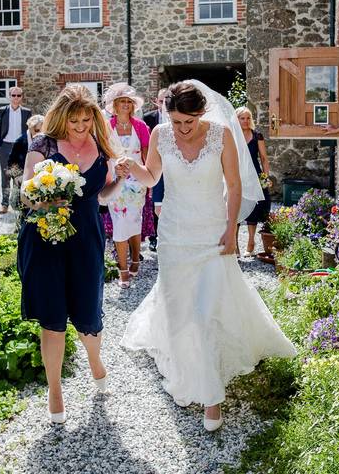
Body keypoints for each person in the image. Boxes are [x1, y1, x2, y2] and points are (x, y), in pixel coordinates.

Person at [118, 81, 296, 431]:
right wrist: (131, 168)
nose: (183, 129)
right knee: (180, 310)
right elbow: (152, 176)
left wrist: (231, 229)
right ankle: (187, 367)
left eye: (190, 121)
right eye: (177, 121)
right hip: (173, 237)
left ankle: (211, 396)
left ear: (202, 113)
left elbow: (235, 186)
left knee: (203, 313)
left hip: (213, 235)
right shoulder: (160, 134)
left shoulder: (221, 135)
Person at [17, 85, 126, 424]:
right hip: (46, 236)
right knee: (52, 319)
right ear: (62, 118)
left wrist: (119, 180)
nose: (80, 127)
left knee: (88, 313)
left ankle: (95, 360)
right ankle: (55, 390)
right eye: (74, 121)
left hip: (87, 239)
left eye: (86, 120)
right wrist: (42, 200)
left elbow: (104, 194)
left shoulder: (103, 146)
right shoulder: (43, 144)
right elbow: (25, 190)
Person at [103, 83, 152, 288]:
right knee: (120, 224)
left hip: (136, 183)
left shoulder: (141, 126)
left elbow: (147, 154)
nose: (126, 105)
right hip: (116, 181)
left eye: (129, 102)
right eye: (122, 101)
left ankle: (135, 258)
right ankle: (123, 271)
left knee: (134, 220)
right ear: (114, 105)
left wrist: (148, 180)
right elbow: (103, 153)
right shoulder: (106, 126)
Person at [236, 107, 271, 256]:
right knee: (235, 208)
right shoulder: (232, 135)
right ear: (236, 119)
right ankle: (235, 245)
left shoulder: (257, 136)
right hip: (236, 175)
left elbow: (264, 158)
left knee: (254, 207)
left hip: (254, 176)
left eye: (248, 118)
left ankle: (251, 241)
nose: (245, 121)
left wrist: (265, 178)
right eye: (242, 118)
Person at [0, 87, 32, 214]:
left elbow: (30, 131)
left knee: (18, 175)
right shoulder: (2, 111)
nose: (16, 98)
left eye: (18, 95)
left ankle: (17, 203)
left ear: (22, 97)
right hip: (5, 146)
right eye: (13, 95)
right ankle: (4, 204)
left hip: (20, 148)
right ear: (9, 96)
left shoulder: (27, 112)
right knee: (5, 176)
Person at [142, 89, 168, 251]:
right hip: (154, 162)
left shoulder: (177, 116)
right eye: (161, 101)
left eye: (167, 100)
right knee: (154, 201)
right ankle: (154, 237)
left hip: (172, 163)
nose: (164, 104)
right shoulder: (148, 118)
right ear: (156, 101)